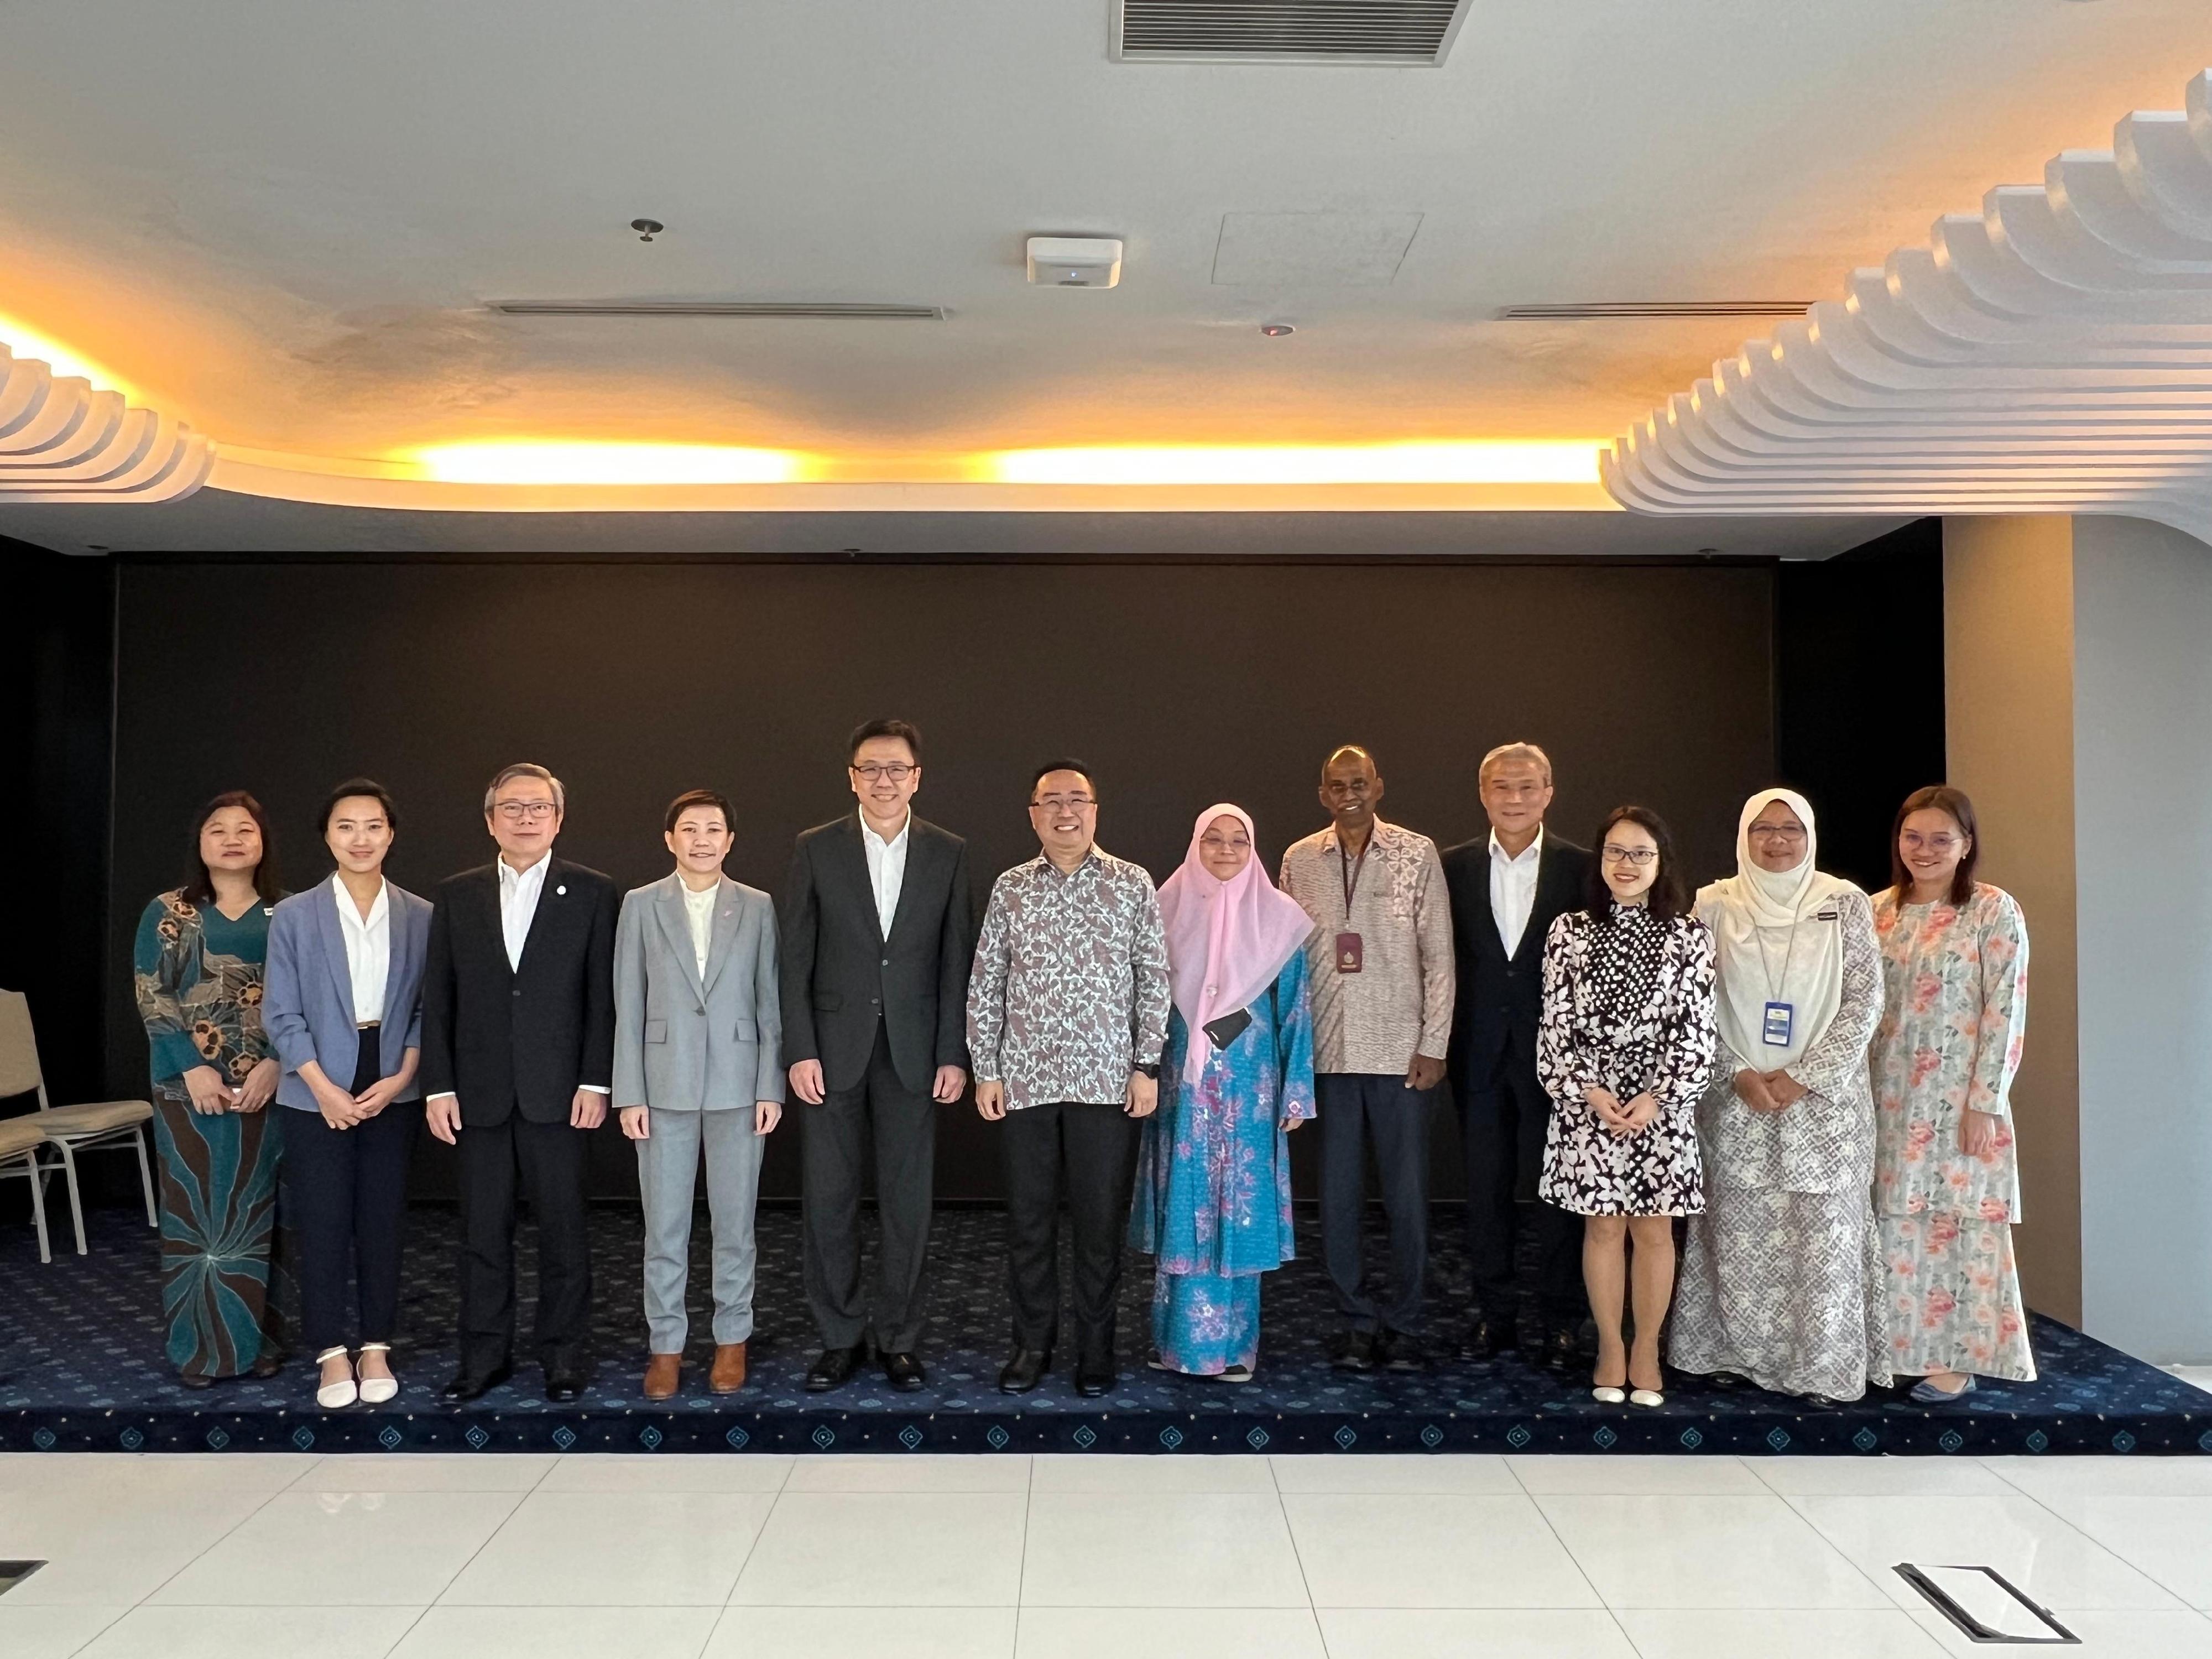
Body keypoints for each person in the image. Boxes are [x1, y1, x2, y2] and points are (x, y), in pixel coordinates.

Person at [1670, 789, 1889, 1405]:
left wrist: (1805, 1076)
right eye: (1762, 828)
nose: (1776, 840)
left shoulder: (1842, 902)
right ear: (1743, 835)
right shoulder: (1713, 904)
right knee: (1737, 1231)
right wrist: (1735, 1070)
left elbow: (1865, 999)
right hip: (1735, 1097)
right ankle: (1733, 1356)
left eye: (1790, 829)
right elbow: (1694, 999)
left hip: (1825, 1104)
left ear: (1809, 835)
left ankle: (1820, 1369)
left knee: (1823, 1234)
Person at [779, 719, 975, 1394]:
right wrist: (799, 1048)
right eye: (870, 769)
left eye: (896, 769)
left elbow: (957, 961)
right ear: (851, 776)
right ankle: (838, 1337)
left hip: (916, 1053)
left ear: (917, 777)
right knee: (828, 1201)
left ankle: (898, 1338)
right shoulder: (816, 848)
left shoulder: (948, 852)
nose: (883, 780)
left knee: (906, 1204)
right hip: (831, 1055)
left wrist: (955, 1053)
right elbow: (794, 957)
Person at [968, 760, 1170, 1397]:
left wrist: (1147, 1066)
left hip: (1106, 1084)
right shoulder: (1010, 888)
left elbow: (1154, 980)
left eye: (1077, 800)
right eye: (1051, 801)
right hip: (1024, 1082)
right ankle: (1031, 1345)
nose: (1065, 812)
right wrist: (986, 1068)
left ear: (1095, 810)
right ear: (1032, 815)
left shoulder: (1132, 884)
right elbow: (986, 983)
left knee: (1097, 1225)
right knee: (1028, 1224)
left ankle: (1095, 1349)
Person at [421, 763, 618, 1404]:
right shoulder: (457, 894)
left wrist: (596, 1080)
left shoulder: (593, 892)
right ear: (489, 820)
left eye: (538, 808)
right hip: (476, 1095)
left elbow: (601, 998)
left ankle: (562, 1356)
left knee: (564, 1234)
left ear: (559, 819)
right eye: (513, 808)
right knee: (482, 1233)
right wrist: (438, 1086)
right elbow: (439, 996)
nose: (526, 818)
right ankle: (483, 1357)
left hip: (560, 1094)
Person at [1278, 745, 1454, 1373]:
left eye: (1359, 782)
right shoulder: (1299, 860)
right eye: (1336, 785)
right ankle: (1353, 1320)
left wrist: (1433, 1043)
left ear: (1378, 786)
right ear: (1323, 793)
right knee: (1338, 1198)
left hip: (1400, 1054)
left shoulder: (1416, 852)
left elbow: (1439, 955)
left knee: (1407, 1198)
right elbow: (1282, 959)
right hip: (1327, 1055)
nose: (1348, 792)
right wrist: (1285, 1053)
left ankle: (1404, 1322)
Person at [1536, 805, 1714, 1408]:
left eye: (1640, 853)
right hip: (1590, 1100)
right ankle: (1610, 1347)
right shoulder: (1570, 930)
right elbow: (1555, 1026)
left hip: (1658, 1105)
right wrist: (1588, 1090)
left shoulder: (1689, 935)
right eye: (1615, 851)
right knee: (1603, 1227)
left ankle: (1646, 1349)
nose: (1626, 864)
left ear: (1660, 862)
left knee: (1655, 1230)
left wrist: (1658, 1096)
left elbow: (1696, 1030)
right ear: (1600, 859)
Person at [263, 779, 432, 1410]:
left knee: (383, 1219)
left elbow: (425, 1006)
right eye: (345, 827)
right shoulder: (295, 915)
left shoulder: (420, 914)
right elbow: (279, 1013)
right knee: (325, 1220)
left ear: (391, 833)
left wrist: (402, 1075)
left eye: (372, 826)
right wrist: (321, 1086)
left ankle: (377, 1345)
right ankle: (332, 1353)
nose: (360, 839)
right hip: (313, 1084)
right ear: (327, 836)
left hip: (392, 1077)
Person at [1131, 805, 1316, 1382]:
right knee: (1185, 1209)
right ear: (1195, 844)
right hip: (1180, 1093)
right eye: (1214, 840)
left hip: (1248, 1093)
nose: (1227, 850)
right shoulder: (1163, 910)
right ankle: (1176, 1345)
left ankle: (1234, 1349)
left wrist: (1296, 1093)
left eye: (1239, 840)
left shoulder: (1280, 920)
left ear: (1253, 847)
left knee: (1236, 1216)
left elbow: (1296, 1013)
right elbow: (1145, 1001)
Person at [615, 790, 784, 1401]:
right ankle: (667, 1344)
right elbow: (626, 1003)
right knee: (665, 1225)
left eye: (714, 829)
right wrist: (628, 1093)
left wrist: (772, 1084)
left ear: (731, 840)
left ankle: (731, 1339)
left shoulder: (758, 906)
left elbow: (770, 999)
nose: (702, 839)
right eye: (690, 829)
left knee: (736, 1224)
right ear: (670, 839)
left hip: (741, 1085)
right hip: (662, 1085)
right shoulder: (640, 905)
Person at [1869, 785, 2034, 1401]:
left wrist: (1984, 1102)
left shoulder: (1993, 911)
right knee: (1893, 1226)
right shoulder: (1874, 910)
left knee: (1958, 1227)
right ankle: (1890, 1351)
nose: (1925, 850)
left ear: (1966, 845)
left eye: (1941, 839)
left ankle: (1955, 1357)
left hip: (1961, 1101)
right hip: (1885, 1096)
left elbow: (2005, 1010)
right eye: (1913, 837)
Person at [1441, 741, 1593, 1370]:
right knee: (1485, 1194)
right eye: (1501, 787)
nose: (1514, 799)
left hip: (1557, 1061)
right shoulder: (1449, 866)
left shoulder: (1582, 867)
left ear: (1549, 793)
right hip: (1476, 1053)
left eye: (1527, 787)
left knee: (1558, 1197)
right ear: (1482, 793)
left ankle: (1561, 1322)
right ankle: (1492, 1316)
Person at [132, 792, 290, 1385]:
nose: (231, 839)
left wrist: (277, 1064)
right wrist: (190, 1068)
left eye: (245, 829)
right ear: (200, 843)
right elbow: (153, 993)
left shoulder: (288, 911)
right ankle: (201, 1349)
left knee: (259, 1211)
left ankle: (260, 1343)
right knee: (195, 1211)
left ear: (263, 841)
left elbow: (305, 997)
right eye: (217, 829)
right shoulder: (169, 912)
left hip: (271, 1087)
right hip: (186, 1089)